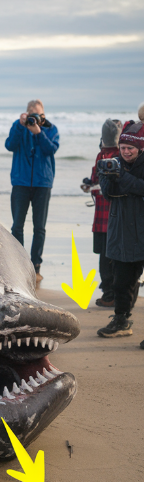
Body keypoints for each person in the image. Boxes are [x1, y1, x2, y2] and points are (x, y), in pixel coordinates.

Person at [97, 121, 144, 338]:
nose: (125, 152)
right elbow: (108, 195)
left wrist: (122, 177)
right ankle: (121, 319)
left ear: (140, 148)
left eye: (130, 149)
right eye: (123, 148)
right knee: (122, 280)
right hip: (122, 230)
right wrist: (108, 177)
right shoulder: (112, 163)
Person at [5, 99, 59, 282]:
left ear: (43, 115)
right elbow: (9, 145)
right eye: (31, 114)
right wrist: (21, 126)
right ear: (26, 114)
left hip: (42, 183)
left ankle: (35, 266)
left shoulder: (51, 129)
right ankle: (18, 265)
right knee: (17, 225)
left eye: (38, 114)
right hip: (20, 182)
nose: (34, 118)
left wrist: (38, 133)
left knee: (39, 227)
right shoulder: (19, 126)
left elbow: (50, 150)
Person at [81, 119, 122, 307]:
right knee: (113, 254)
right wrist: (90, 183)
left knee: (105, 255)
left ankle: (109, 293)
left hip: (104, 215)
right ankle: (113, 292)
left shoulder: (102, 155)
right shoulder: (121, 154)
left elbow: (97, 179)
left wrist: (90, 183)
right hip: (115, 214)